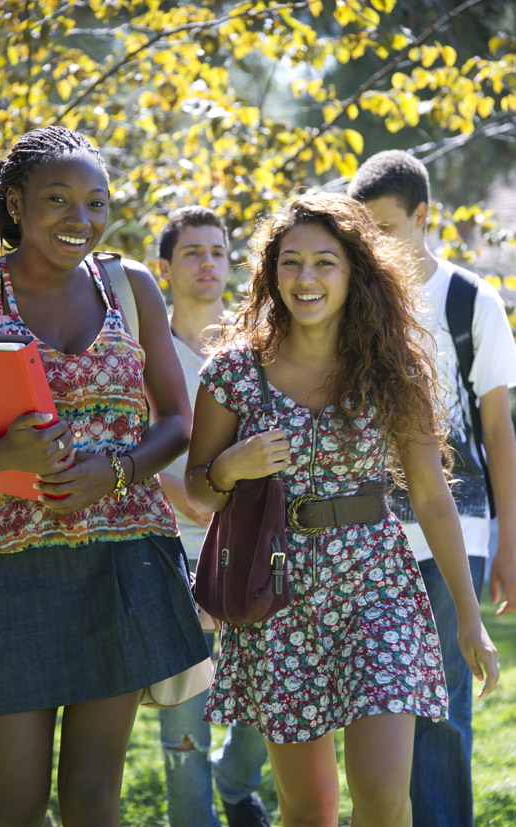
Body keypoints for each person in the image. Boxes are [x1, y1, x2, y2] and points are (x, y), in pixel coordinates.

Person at [183, 191, 500, 827]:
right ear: (272, 272)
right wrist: (229, 467)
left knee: (384, 798)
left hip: (375, 586)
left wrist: (470, 617)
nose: (306, 279)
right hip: (278, 594)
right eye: (291, 262)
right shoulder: (234, 373)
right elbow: (197, 490)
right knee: (310, 808)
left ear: (355, 271)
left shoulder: (392, 371)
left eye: (325, 262)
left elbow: (433, 495)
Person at [0, 125, 209, 827]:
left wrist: (118, 470)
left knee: (94, 796)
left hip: (125, 560)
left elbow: (178, 422)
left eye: (96, 202)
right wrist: (8, 455)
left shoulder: (129, 285)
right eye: (58, 199)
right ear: (16, 202)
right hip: (11, 568)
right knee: (13, 806)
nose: (82, 218)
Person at [347, 150, 516, 827]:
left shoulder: (469, 298)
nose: (371, 246)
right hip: (363, 529)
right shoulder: (349, 302)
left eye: (385, 228)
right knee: (380, 701)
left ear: (423, 217)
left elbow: (499, 429)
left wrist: (508, 542)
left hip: (461, 523)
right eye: (362, 232)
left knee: (443, 698)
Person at [156, 206, 271, 827]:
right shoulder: (149, 354)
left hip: (252, 551)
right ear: (165, 268)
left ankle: (237, 779)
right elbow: (139, 462)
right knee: (184, 717)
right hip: (172, 551)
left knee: (261, 697)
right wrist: (198, 499)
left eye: (218, 252)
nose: (208, 263)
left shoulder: (255, 349)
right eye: (193, 252)